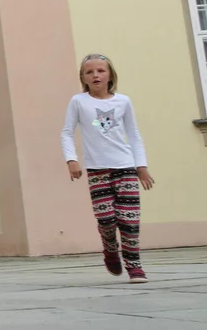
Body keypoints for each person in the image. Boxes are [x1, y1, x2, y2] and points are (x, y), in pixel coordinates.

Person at [62, 53, 155, 283]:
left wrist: (141, 166)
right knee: (106, 220)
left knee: (129, 220)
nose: (95, 75)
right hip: (97, 170)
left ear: (110, 75)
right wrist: (71, 159)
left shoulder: (123, 101)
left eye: (101, 71)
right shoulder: (78, 102)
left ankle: (134, 266)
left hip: (125, 167)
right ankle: (110, 248)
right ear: (83, 77)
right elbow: (67, 132)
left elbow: (134, 135)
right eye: (89, 72)